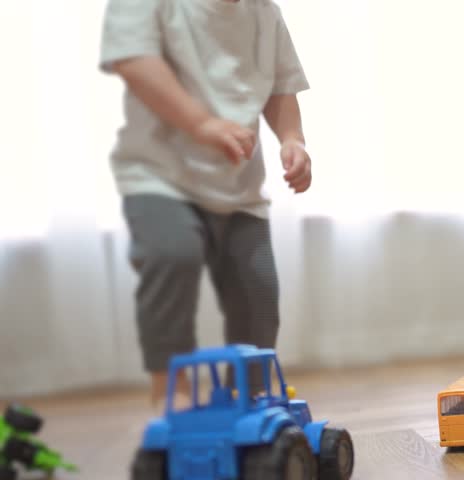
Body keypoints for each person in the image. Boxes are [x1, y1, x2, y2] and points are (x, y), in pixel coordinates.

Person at [99, 0, 310, 408]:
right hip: (160, 177)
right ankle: (171, 388)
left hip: (238, 186)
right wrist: (202, 123)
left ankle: (247, 392)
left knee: (258, 291)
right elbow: (135, 62)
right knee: (172, 255)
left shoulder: (264, 11)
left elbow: (281, 85)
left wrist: (292, 139)